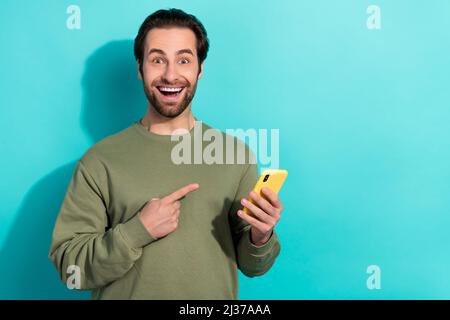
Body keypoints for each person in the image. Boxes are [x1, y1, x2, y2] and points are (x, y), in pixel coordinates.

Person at [49, 8, 283, 299]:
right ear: (139, 68)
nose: (170, 75)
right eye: (157, 59)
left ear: (200, 69)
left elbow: (253, 266)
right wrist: (137, 231)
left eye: (183, 60)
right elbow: (70, 268)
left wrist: (261, 236)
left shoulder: (235, 156)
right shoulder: (100, 161)